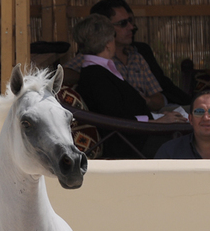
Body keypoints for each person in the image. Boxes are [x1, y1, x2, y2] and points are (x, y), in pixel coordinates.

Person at [73, 14, 185, 159]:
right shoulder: (95, 76)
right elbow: (116, 118)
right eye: (113, 37)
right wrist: (156, 122)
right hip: (131, 145)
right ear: (108, 43)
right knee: (191, 142)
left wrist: (158, 118)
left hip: (138, 136)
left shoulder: (100, 70)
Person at [64, 0, 188, 106]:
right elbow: (62, 74)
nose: (131, 27)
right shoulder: (92, 57)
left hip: (147, 116)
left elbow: (159, 99)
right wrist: (96, 80)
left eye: (130, 21)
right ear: (104, 28)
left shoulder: (137, 55)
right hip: (130, 125)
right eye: (123, 23)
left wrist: (144, 101)